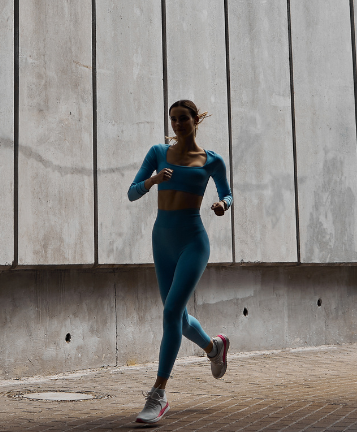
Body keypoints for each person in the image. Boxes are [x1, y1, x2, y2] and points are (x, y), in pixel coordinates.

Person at [126, 99, 233, 424]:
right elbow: (132, 192)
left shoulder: (212, 160)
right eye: (173, 119)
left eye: (183, 119)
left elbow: (228, 193)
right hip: (162, 241)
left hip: (193, 241)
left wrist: (222, 205)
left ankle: (158, 394)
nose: (177, 124)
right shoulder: (158, 153)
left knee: (171, 312)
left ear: (194, 120)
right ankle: (214, 347)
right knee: (179, 317)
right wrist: (153, 181)